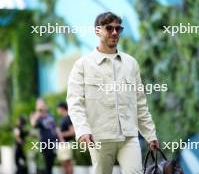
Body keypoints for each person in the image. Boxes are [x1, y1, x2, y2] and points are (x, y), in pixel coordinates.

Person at [67, 11, 159, 174]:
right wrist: (83, 130)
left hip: (129, 137)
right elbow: (75, 102)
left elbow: (140, 102)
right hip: (99, 138)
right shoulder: (82, 65)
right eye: (109, 28)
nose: (115, 32)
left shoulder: (131, 63)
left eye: (118, 28)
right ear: (98, 31)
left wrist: (150, 134)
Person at [30, 98, 58, 174]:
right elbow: (33, 123)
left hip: (54, 141)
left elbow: (55, 127)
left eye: (42, 104)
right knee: (47, 163)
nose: (42, 106)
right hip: (45, 142)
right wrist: (38, 112)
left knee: (51, 163)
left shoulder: (50, 115)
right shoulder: (37, 116)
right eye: (39, 104)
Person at [56, 102, 75, 174]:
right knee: (64, 164)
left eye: (58, 109)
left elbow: (72, 132)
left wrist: (61, 134)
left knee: (68, 163)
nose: (57, 111)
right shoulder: (64, 118)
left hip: (66, 144)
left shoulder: (67, 117)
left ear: (62, 108)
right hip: (62, 144)